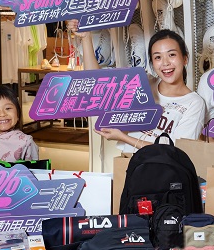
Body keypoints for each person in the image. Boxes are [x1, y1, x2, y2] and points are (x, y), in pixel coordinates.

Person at [66, 20, 206, 152]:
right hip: (128, 162)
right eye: (158, 57)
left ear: (185, 58)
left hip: (162, 168)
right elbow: (96, 82)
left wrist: (123, 137)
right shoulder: (142, 83)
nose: (165, 63)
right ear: (152, 63)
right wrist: (86, 38)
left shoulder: (194, 103)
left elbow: (175, 152)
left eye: (172, 55)